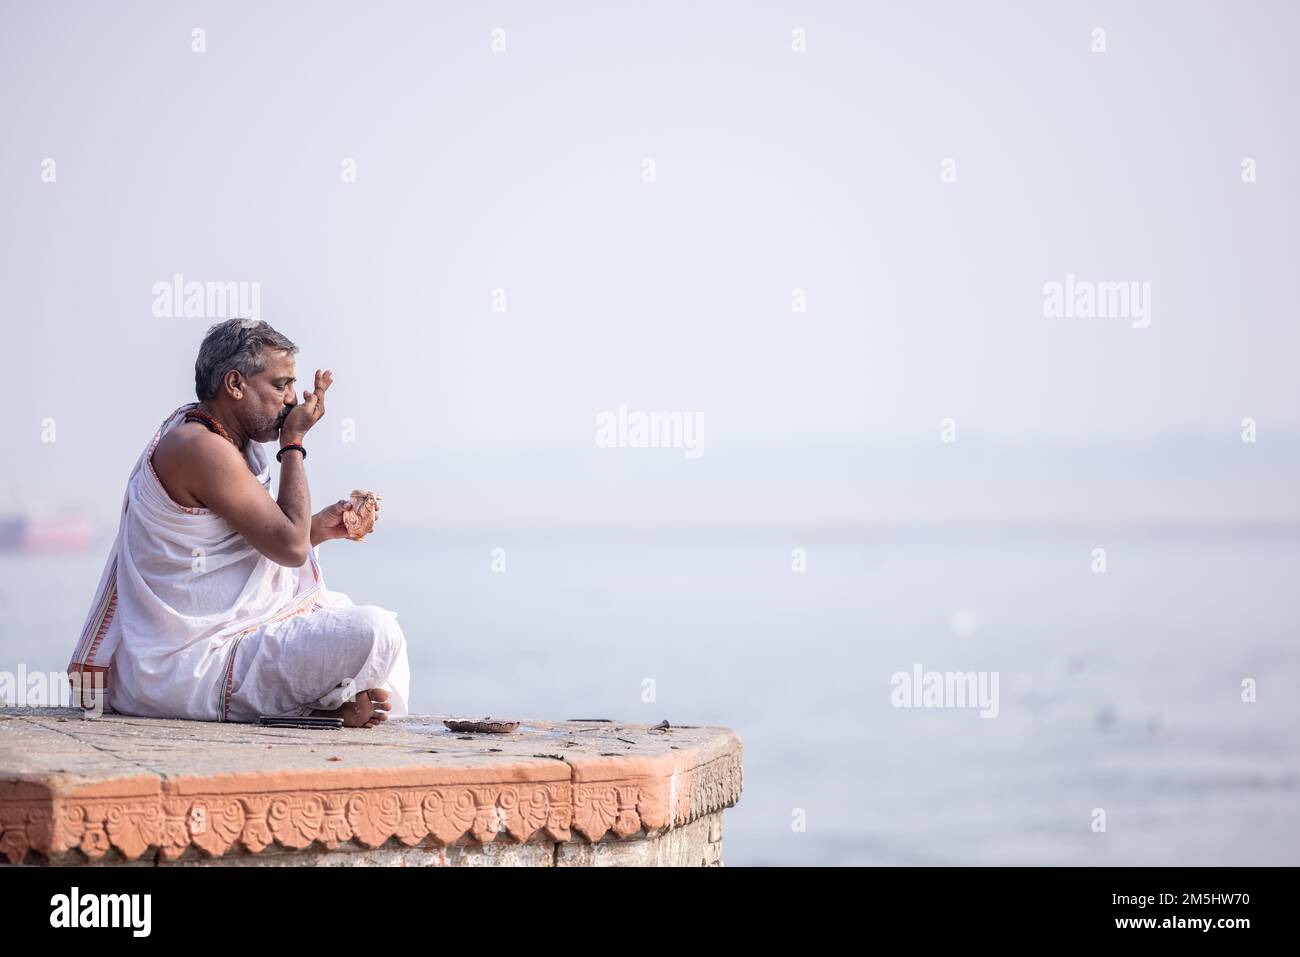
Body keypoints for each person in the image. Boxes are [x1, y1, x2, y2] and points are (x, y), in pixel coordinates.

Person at [66, 318, 410, 728]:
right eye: (280, 385)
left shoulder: (227, 443)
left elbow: (248, 543)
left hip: (224, 645)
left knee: (367, 625)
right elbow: (290, 549)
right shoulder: (198, 447)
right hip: (190, 663)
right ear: (234, 384)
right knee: (374, 631)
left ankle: (326, 704)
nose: (290, 401)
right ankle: (317, 707)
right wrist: (294, 444)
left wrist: (317, 527)